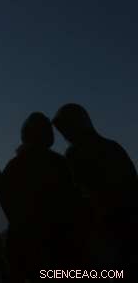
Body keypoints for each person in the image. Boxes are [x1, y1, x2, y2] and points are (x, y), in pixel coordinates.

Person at [52, 103, 138, 268]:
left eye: (65, 129)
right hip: (127, 225)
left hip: (102, 231)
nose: (64, 135)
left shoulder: (74, 154)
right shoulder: (113, 147)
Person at [2, 112, 80, 282]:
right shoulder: (59, 164)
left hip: (24, 246)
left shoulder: (14, 166)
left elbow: (5, 199)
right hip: (58, 245)